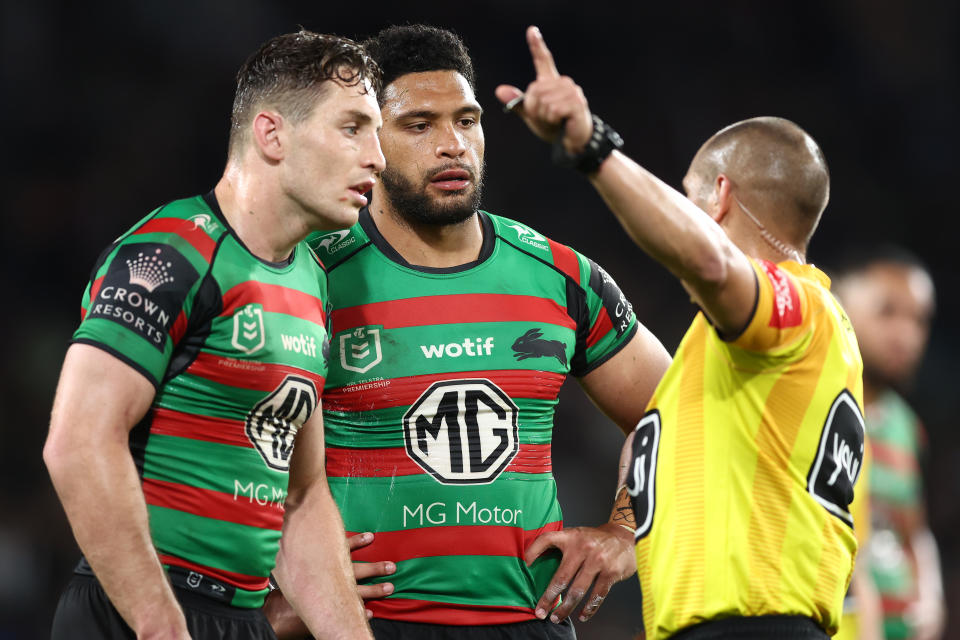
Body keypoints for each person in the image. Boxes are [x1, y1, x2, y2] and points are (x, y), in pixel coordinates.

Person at [265, 24, 671, 640]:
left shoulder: (560, 277)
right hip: (367, 625)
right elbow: (219, 439)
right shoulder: (310, 276)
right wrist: (278, 588)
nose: (453, 145)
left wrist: (623, 534)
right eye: (419, 125)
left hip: (528, 624)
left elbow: (675, 412)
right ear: (368, 141)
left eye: (467, 120)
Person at [497, 26, 867, 640]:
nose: (678, 214)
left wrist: (593, 148)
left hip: (757, 627)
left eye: (686, 199)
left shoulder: (798, 308)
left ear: (718, 198)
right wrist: (622, 537)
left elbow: (713, 264)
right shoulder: (727, 362)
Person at [42, 30, 385, 640]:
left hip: (239, 620)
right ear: (272, 134)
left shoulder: (311, 280)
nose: (378, 157)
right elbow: (79, 441)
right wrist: (159, 624)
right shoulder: (173, 251)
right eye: (353, 127)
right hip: (138, 609)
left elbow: (302, 499)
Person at [834, 247, 945, 640]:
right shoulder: (816, 407)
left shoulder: (905, 426)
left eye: (920, 320)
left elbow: (913, 529)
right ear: (842, 305)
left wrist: (932, 595)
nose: (907, 334)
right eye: (887, 312)